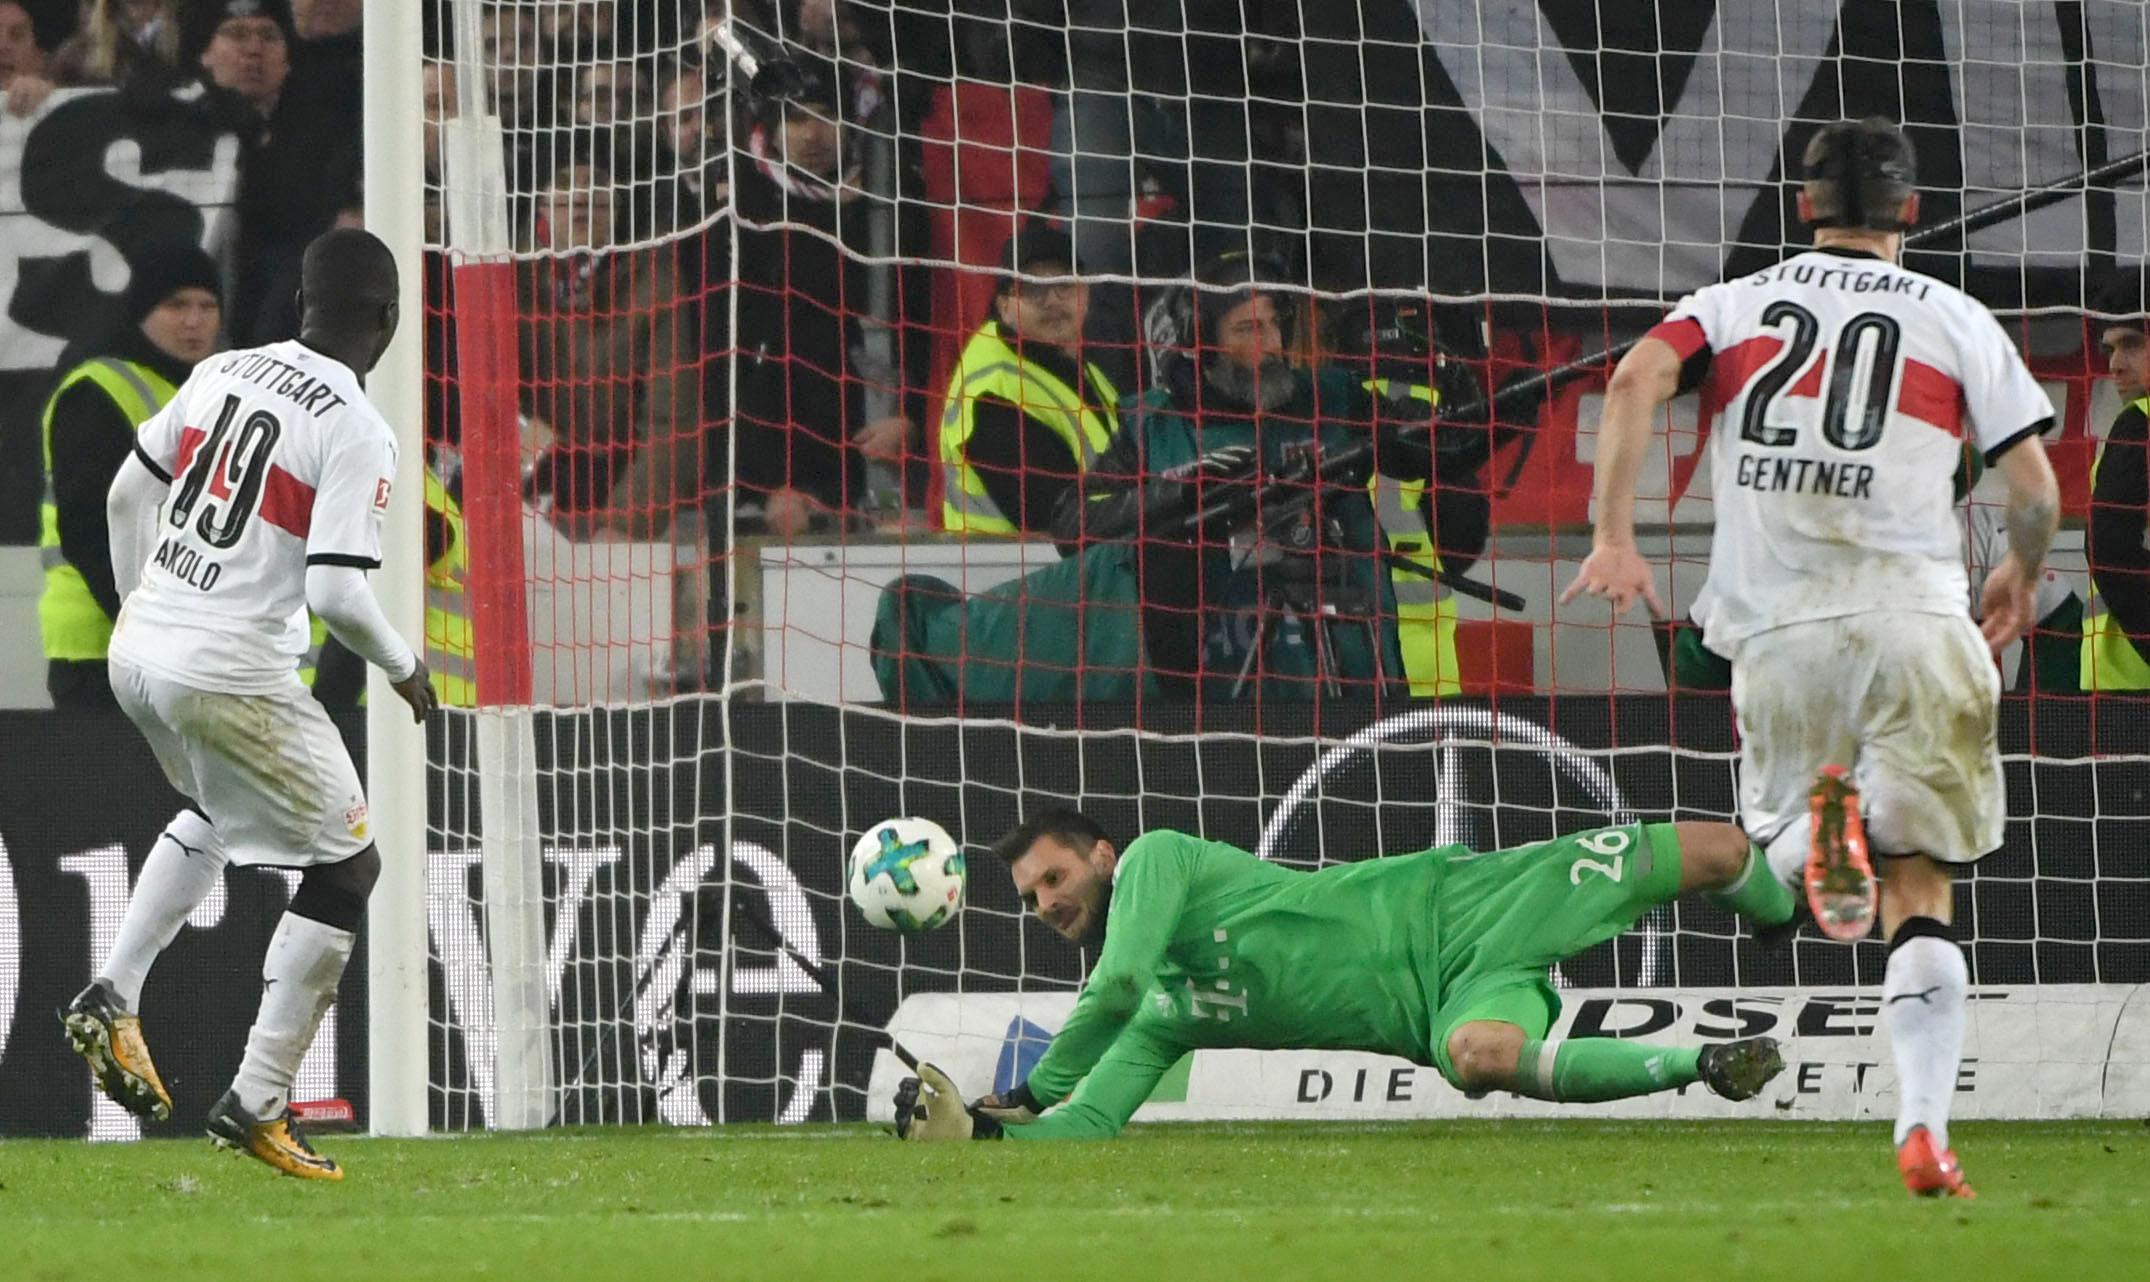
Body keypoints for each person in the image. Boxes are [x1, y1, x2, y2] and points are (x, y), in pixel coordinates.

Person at [1563, 118, 2061, 1199]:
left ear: (1799, 206)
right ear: (1912, 212)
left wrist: (1613, 537)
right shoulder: (1954, 318)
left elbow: (1635, 380)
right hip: (1917, 622)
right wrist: (2018, 577)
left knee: (1782, 857)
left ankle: (1815, 834)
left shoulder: (1731, 306)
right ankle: (1920, 1131)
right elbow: (2033, 491)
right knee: (1920, 883)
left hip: (1777, 636)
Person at [61, 228, 438, 1181]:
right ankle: (261, 1099)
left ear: (303, 303)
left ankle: (115, 989)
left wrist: (141, 606)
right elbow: (338, 593)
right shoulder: (356, 426)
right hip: (231, 672)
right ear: (387, 321)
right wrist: (403, 666)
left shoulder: (225, 370)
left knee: (211, 812)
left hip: (139, 648)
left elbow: (120, 498)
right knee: (349, 869)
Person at [891, 807, 1792, 1141]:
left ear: (1101, 855)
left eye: (1055, 877)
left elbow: (1111, 989)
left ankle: (1785, 920)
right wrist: (985, 1138)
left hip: (1463, 903)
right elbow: (1091, 1122)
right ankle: (1708, 1066)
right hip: (1441, 1004)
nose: (1046, 901)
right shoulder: (1168, 1012)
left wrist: (1030, 1088)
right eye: (1028, 896)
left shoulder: (1160, 858)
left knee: (1718, 850)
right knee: (1481, 1055)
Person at [1050, 251, 1452, 703]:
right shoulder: (1153, 427)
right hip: (1223, 688)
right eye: (1246, 329)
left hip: (1352, 680)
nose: (1270, 343)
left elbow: (1438, 456)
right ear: (1200, 342)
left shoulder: (1334, 398)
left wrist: (1451, 397)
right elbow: (1071, 524)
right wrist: (1176, 494)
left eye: (1273, 324)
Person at [39, 247, 221, 709]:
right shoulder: (98, 389)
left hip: (178, 648)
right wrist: (151, 637)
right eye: (176, 305)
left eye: (207, 306)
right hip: (103, 650)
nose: (194, 321)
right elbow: (89, 530)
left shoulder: (201, 391)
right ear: (141, 313)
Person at [940, 223, 1121, 537]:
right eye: (1033, 289)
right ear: (1004, 305)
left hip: (1081, 566)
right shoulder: (992, 389)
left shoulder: (1076, 368)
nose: (1052, 300)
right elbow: (1051, 514)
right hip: (1012, 573)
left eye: (1064, 285)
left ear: (1085, 294)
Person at [2081, 270, 2150, 693]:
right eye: (2110, 348)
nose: (2114, 365)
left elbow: (2108, 548)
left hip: (2124, 677)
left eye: (2132, 344)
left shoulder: (2139, 422)